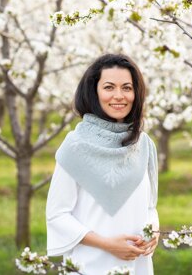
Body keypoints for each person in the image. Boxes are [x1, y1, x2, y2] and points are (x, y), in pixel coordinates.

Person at [46, 53, 159, 275]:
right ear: (94, 92)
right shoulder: (75, 147)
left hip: (137, 265)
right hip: (90, 265)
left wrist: (153, 232)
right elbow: (57, 214)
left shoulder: (144, 144)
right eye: (109, 87)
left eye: (127, 87)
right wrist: (108, 245)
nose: (119, 95)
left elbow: (149, 206)